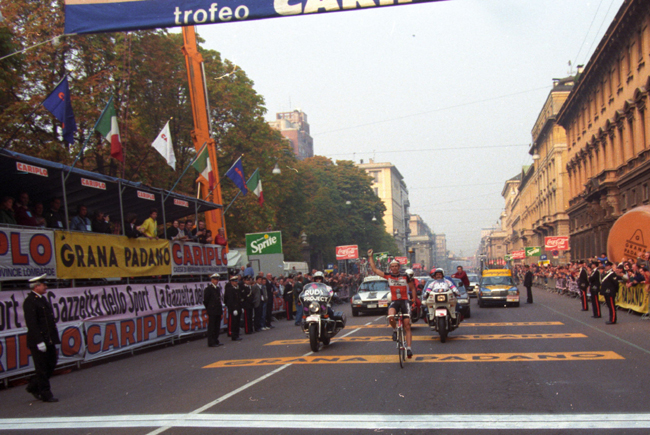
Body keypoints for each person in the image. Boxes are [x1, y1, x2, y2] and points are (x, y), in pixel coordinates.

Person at [367, 249, 417, 359]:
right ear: (390, 268)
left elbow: (412, 288)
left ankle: (409, 348)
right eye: (392, 266)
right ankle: (395, 330)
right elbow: (375, 270)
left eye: (396, 266)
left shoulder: (405, 276)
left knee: (407, 325)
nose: (394, 268)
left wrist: (413, 300)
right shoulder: (388, 276)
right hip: (395, 301)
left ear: (399, 267)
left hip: (404, 301)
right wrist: (370, 256)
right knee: (390, 317)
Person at [23, 274, 60, 402]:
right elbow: (32, 323)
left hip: (48, 339)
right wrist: (39, 341)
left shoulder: (41, 299)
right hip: (38, 340)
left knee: (51, 363)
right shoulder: (30, 301)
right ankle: (45, 393)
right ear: (36, 286)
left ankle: (33, 385)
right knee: (42, 367)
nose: (46, 287)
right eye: (44, 285)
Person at [203, 273, 224, 347]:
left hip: (217, 310)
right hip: (212, 310)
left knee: (217, 326)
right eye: (214, 279)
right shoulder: (208, 289)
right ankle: (211, 342)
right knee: (211, 327)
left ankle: (216, 340)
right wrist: (209, 310)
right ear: (212, 280)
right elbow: (206, 301)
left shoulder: (217, 289)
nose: (216, 281)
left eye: (217, 279)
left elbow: (219, 301)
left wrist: (221, 311)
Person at [224, 275, 243, 341]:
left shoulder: (237, 289)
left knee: (237, 322)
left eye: (236, 281)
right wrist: (233, 308)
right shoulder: (230, 289)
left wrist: (241, 307)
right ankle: (234, 335)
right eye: (235, 281)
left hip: (238, 308)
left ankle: (237, 334)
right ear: (232, 282)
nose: (236, 282)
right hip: (233, 309)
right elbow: (229, 300)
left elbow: (239, 299)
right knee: (234, 322)